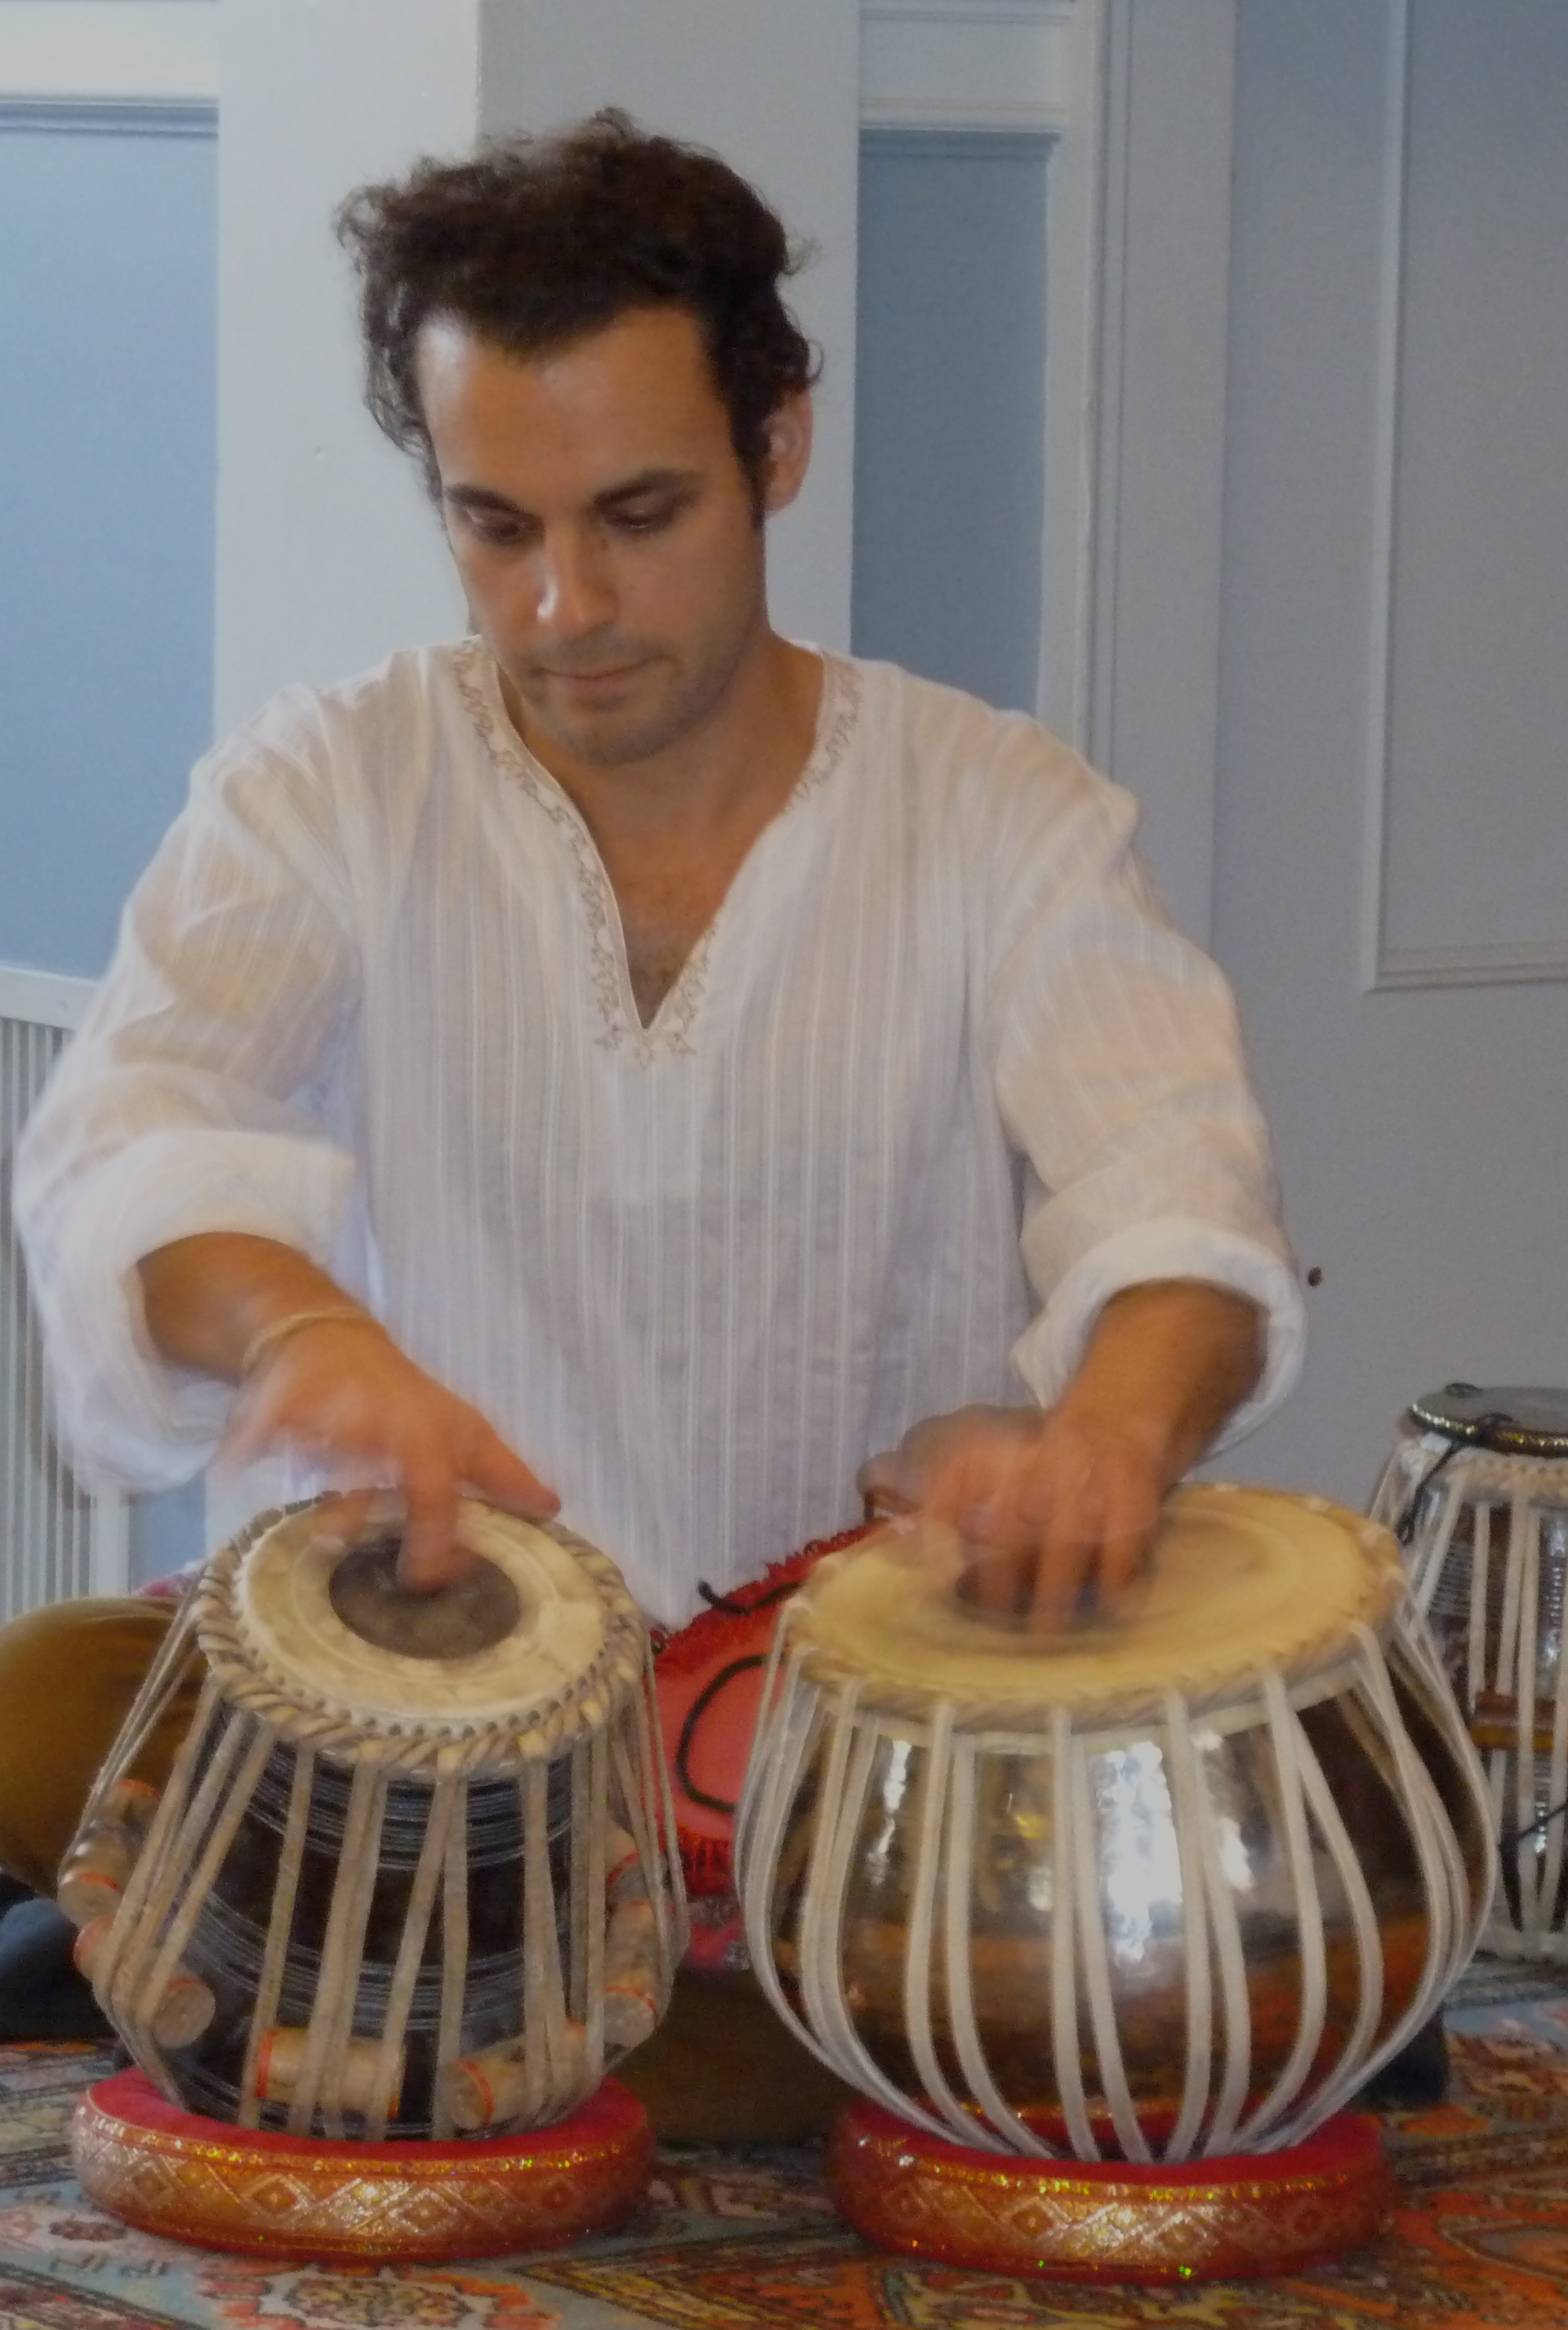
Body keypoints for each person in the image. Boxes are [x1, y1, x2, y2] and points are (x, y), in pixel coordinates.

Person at [2, 111, 1304, 2126]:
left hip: (853, 1729)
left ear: (776, 448)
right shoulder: (326, 786)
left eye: (638, 512)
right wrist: (306, 1338)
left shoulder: (996, 814)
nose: (562, 608)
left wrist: (1105, 1441)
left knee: (1174, 1945)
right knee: (30, 1711)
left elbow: (1177, 1206)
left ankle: (584, 2027)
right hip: (433, 1722)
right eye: (495, 527)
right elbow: (140, 1142)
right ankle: (647, 2033)